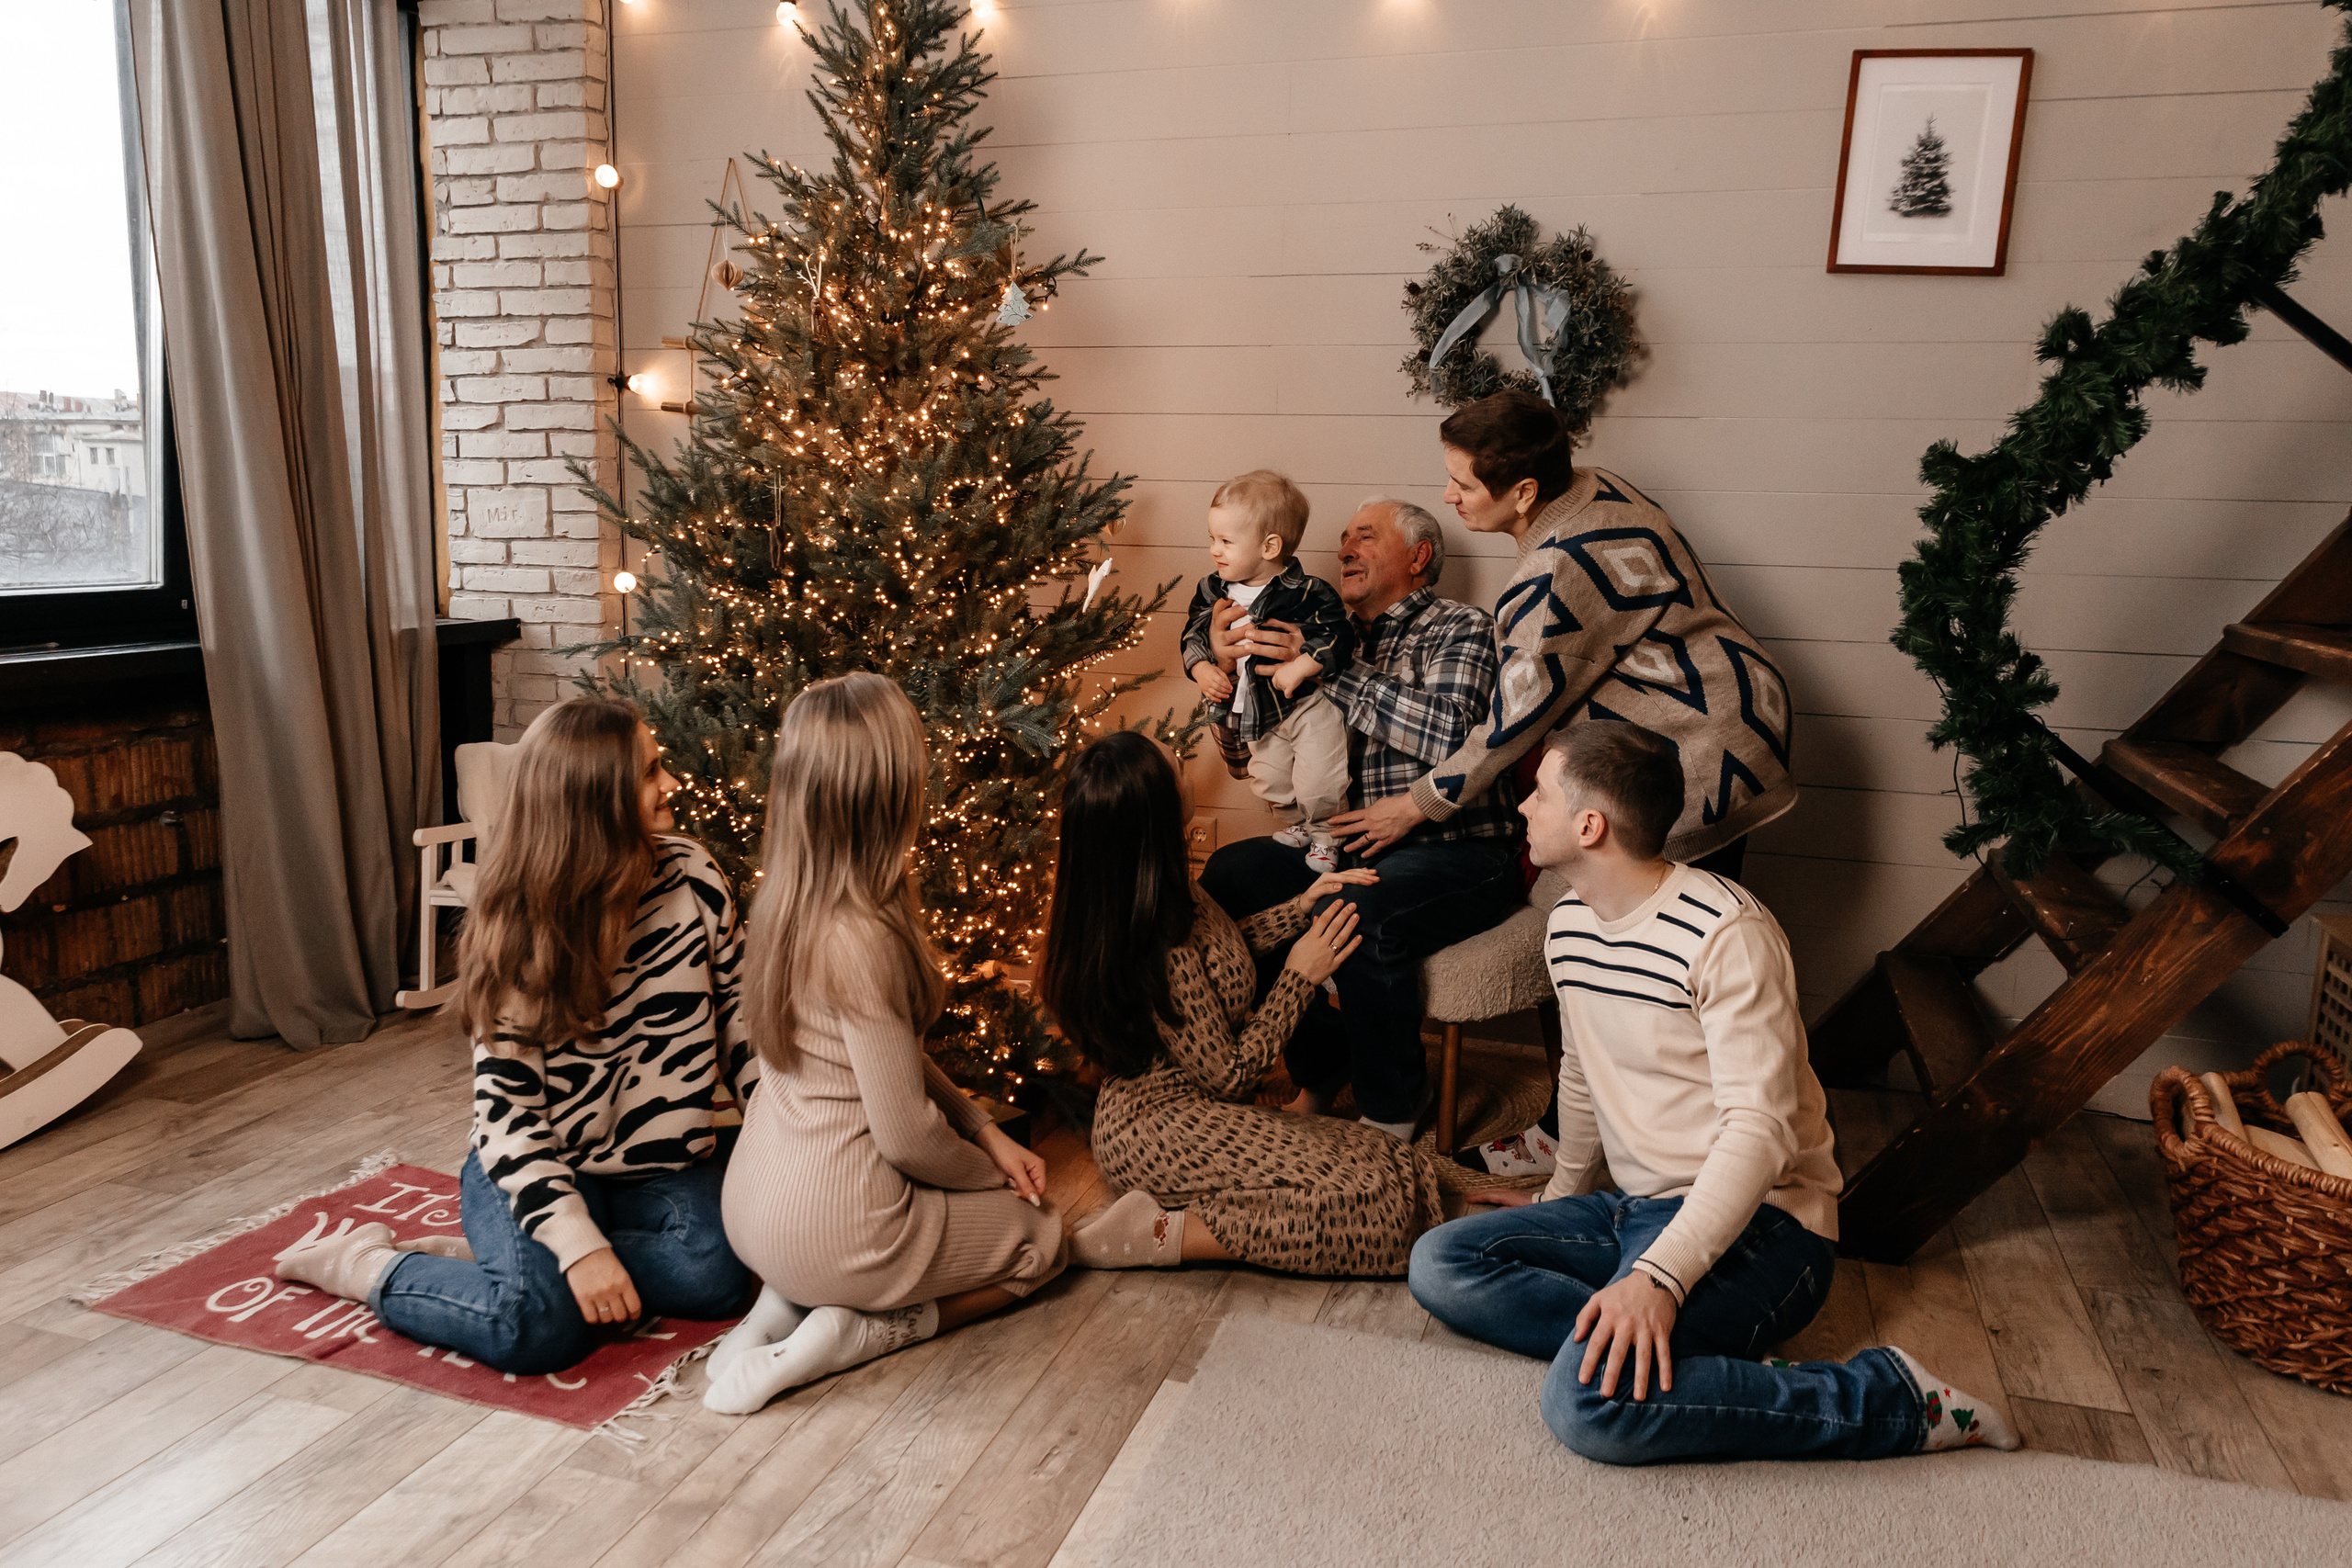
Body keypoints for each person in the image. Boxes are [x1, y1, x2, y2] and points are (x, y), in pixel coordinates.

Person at [1409, 721, 2017, 1464]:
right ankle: (1688, 1354)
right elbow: (1583, 1071)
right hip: (1635, 1209)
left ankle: (1894, 1398)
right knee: (1440, 1263)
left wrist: (1659, 1278)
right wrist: (1557, 1197)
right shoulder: (1568, 926)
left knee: (1587, 1405)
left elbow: (1761, 1133)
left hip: (1768, 1225)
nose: (1523, 807)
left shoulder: (1726, 931)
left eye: (1539, 792)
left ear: (1589, 825)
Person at [1352, 390, 1798, 1179]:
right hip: (1736, 710)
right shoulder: (1596, 485)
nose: (1448, 496)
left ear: (1524, 490)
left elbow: (1507, 725)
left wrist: (1415, 805)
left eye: (1463, 482)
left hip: (1703, 750)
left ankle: (1619, 1148)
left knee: (1644, 947)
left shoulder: (1554, 576)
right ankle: (1617, 1136)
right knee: (1655, 937)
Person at [272, 698, 757, 1374]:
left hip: (658, 1166)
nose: (671, 784)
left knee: (718, 1276)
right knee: (534, 1330)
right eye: (650, 773)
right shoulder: (523, 926)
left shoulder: (695, 876)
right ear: (596, 798)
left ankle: (520, 1267)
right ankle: (369, 1265)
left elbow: (744, 1030)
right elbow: (510, 1124)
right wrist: (579, 1247)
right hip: (536, 1164)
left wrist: (783, 1138)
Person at [702, 672, 1064, 1414]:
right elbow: (905, 1138)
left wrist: (983, 1128)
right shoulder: (863, 936)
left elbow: (884, 1057)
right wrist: (989, 1178)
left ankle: (779, 1308)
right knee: (1046, 1237)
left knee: (901, 1204)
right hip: (839, 1228)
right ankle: (860, 1331)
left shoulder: (786, 902)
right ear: (887, 797)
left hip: (752, 1206)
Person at [1041, 730, 1453, 1274]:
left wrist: (1300, 908)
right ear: (1159, 811)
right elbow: (1231, 1077)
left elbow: (1218, 953)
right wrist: (1298, 977)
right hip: (1159, 1129)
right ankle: (1160, 1234)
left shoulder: (1157, 886)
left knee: (1389, 1161)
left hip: (1192, 1110)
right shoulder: (1153, 941)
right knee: (1380, 1209)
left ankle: (1201, 1208)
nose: (1187, 769)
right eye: (1176, 768)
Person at [1198, 497, 1523, 1140]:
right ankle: (1323, 1064)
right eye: (1344, 535)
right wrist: (1229, 680)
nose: (1344, 547)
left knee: (1357, 905)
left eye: (1365, 537)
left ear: (1419, 556)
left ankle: (1395, 1106)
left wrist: (1329, 668)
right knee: (1230, 878)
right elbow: (1240, 763)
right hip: (1340, 844)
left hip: (1457, 846)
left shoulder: (1460, 626)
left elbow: (1451, 737)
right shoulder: (1313, 630)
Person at [1182, 470, 1355, 874]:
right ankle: (1297, 823)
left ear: (1269, 546)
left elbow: (1338, 635)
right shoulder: (1213, 589)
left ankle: (1327, 836)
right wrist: (1202, 666)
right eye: (1212, 538)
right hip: (1260, 709)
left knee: (1320, 779)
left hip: (1308, 705)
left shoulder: (1308, 591)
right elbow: (1193, 632)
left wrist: (1303, 665)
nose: (1214, 550)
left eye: (1226, 541)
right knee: (1268, 778)